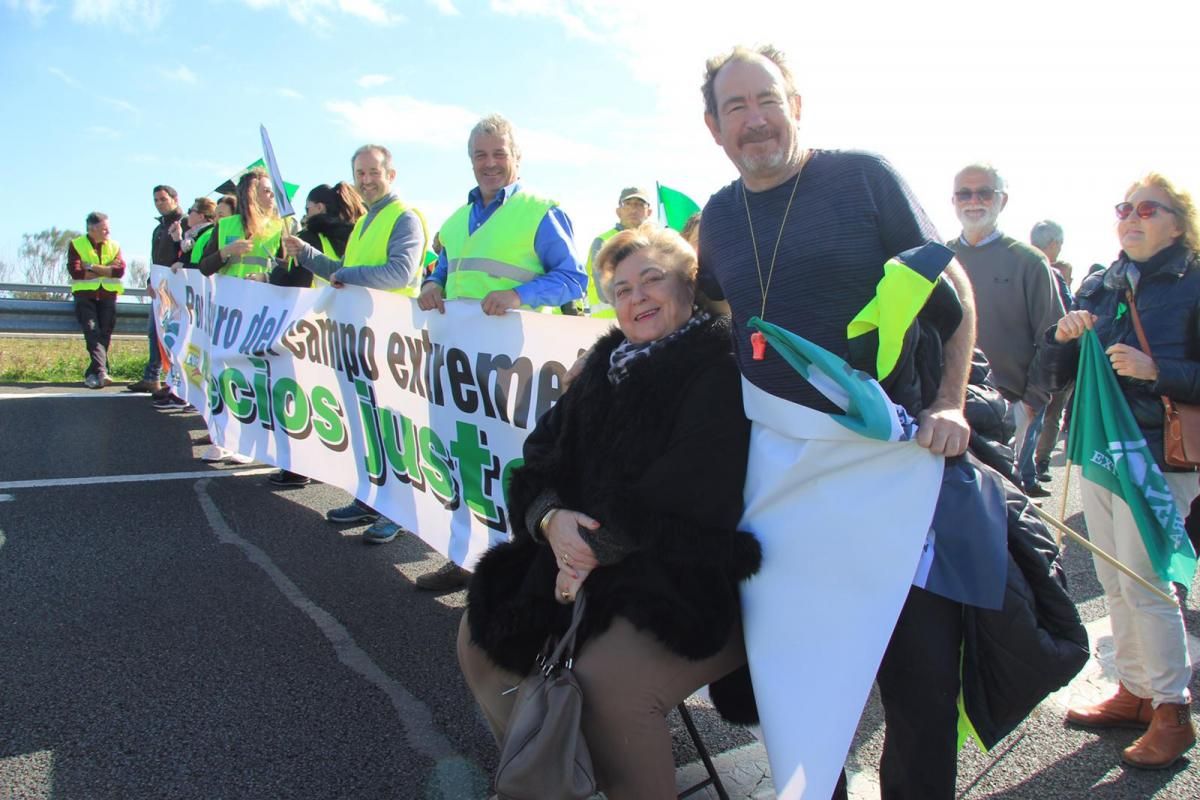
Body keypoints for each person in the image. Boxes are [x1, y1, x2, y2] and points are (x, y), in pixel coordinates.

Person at [697, 45, 981, 800]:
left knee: (919, 681)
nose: (755, 121)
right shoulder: (719, 216)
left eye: (768, 100)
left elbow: (952, 290)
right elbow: (716, 308)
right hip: (787, 481)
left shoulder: (862, 176)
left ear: (796, 105)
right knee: (801, 675)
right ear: (712, 127)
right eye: (736, 108)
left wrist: (950, 401)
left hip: (892, 464)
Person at [458, 224, 759, 799]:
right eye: (622, 289)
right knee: (480, 637)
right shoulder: (601, 365)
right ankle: (553, 776)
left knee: (605, 689)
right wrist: (549, 519)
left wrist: (587, 553)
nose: (636, 297)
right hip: (581, 559)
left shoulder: (717, 364)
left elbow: (693, 485)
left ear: (688, 288)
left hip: (679, 577)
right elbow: (538, 456)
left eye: (652, 281)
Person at [1042, 173, 1200, 769]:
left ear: (1178, 223)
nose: (1130, 217)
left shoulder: (1195, 282)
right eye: (1123, 208)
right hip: (1102, 450)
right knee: (1112, 578)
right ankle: (1135, 690)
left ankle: (1172, 711)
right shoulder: (1102, 284)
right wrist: (1060, 336)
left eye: (1147, 209)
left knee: (1146, 581)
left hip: (1159, 455)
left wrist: (1154, 368)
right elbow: (1053, 372)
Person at [417, 114, 587, 590]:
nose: (489, 164)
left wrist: (520, 296)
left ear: (516, 158)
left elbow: (573, 278)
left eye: (499, 154)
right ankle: (463, 557)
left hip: (517, 370)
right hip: (460, 371)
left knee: (519, 469)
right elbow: (443, 269)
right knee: (463, 461)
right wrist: (432, 283)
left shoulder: (540, 210)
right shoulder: (453, 221)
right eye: (480, 155)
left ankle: (524, 574)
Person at [283, 145, 431, 541]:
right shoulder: (366, 222)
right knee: (367, 425)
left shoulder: (404, 218)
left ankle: (400, 513)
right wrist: (307, 254)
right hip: (358, 337)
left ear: (391, 174)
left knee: (393, 429)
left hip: (390, 341)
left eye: (373, 172)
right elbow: (342, 273)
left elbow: (397, 272)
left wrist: (345, 272)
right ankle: (371, 500)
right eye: (359, 174)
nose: (366, 180)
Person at [949, 164, 1065, 498]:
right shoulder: (939, 257)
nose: (974, 201)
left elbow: (1054, 339)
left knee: (1004, 506)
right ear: (953, 200)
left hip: (1008, 410)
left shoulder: (1029, 262)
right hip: (947, 407)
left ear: (1003, 200)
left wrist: (1031, 403)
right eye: (964, 193)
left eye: (985, 192)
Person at [268, 182, 367, 487]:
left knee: (303, 397)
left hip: (310, 327)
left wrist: (275, 271)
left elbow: (293, 283)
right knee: (338, 399)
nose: (306, 212)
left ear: (319, 208)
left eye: (309, 206)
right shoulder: (357, 234)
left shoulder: (308, 237)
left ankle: (299, 467)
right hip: (347, 326)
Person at [153, 197, 219, 410]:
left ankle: (188, 395)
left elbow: (199, 264)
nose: (187, 215)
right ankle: (179, 388)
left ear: (201, 215)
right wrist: (177, 240)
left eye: (191, 211)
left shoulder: (208, 234)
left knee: (195, 348)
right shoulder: (193, 236)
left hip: (200, 301)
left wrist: (184, 263)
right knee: (184, 345)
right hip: (192, 301)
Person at [1029, 219, 1075, 482]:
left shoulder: (1013, 264)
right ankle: (1038, 465)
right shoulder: (1052, 275)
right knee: (1049, 413)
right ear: (1055, 244)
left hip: (1007, 367)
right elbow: (1065, 318)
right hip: (1044, 361)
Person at [129, 185, 184, 393]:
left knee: (171, 334)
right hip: (159, 288)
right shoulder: (159, 228)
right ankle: (152, 376)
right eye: (156, 200)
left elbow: (185, 253)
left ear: (174, 198)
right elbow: (156, 260)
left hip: (176, 288)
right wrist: (150, 281)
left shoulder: (184, 223)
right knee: (155, 332)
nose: (159, 203)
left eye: (163, 199)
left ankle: (174, 378)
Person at [66, 212, 125, 389]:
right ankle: (101, 371)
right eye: (103, 228)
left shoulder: (114, 245)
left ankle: (93, 374)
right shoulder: (77, 244)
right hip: (85, 296)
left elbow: (119, 271)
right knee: (92, 332)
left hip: (108, 295)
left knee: (104, 333)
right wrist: (106, 269)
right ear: (92, 229)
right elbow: (76, 271)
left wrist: (91, 267)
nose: (108, 231)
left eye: (108, 227)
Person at [582, 186, 655, 317]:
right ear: (618, 211)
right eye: (627, 204)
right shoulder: (603, 242)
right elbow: (604, 292)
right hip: (609, 325)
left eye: (639, 204)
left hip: (647, 322)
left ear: (649, 212)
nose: (633, 209)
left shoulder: (657, 243)